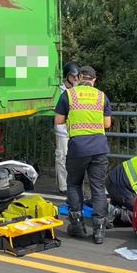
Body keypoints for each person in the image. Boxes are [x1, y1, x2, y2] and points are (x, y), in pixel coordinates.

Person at [54, 65, 112, 244]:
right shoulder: (102, 96)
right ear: (94, 80)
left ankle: (77, 225)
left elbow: (58, 120)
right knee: (98, 187)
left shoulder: (69, 95)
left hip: (78, 148)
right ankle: (99, 230)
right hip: (99, 148)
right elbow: (107, 124)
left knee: (74, 184)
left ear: (79, 78)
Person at [54, 62, 81, 194]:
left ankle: (74, 184)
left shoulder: (78, 91)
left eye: (77, 76)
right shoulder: (59, 91)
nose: (76, 79)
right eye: (73, 76)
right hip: (62, 130)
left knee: (76, 159)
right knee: (62, 157)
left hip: (76, 130)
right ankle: (63, 186)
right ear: (67, 77)